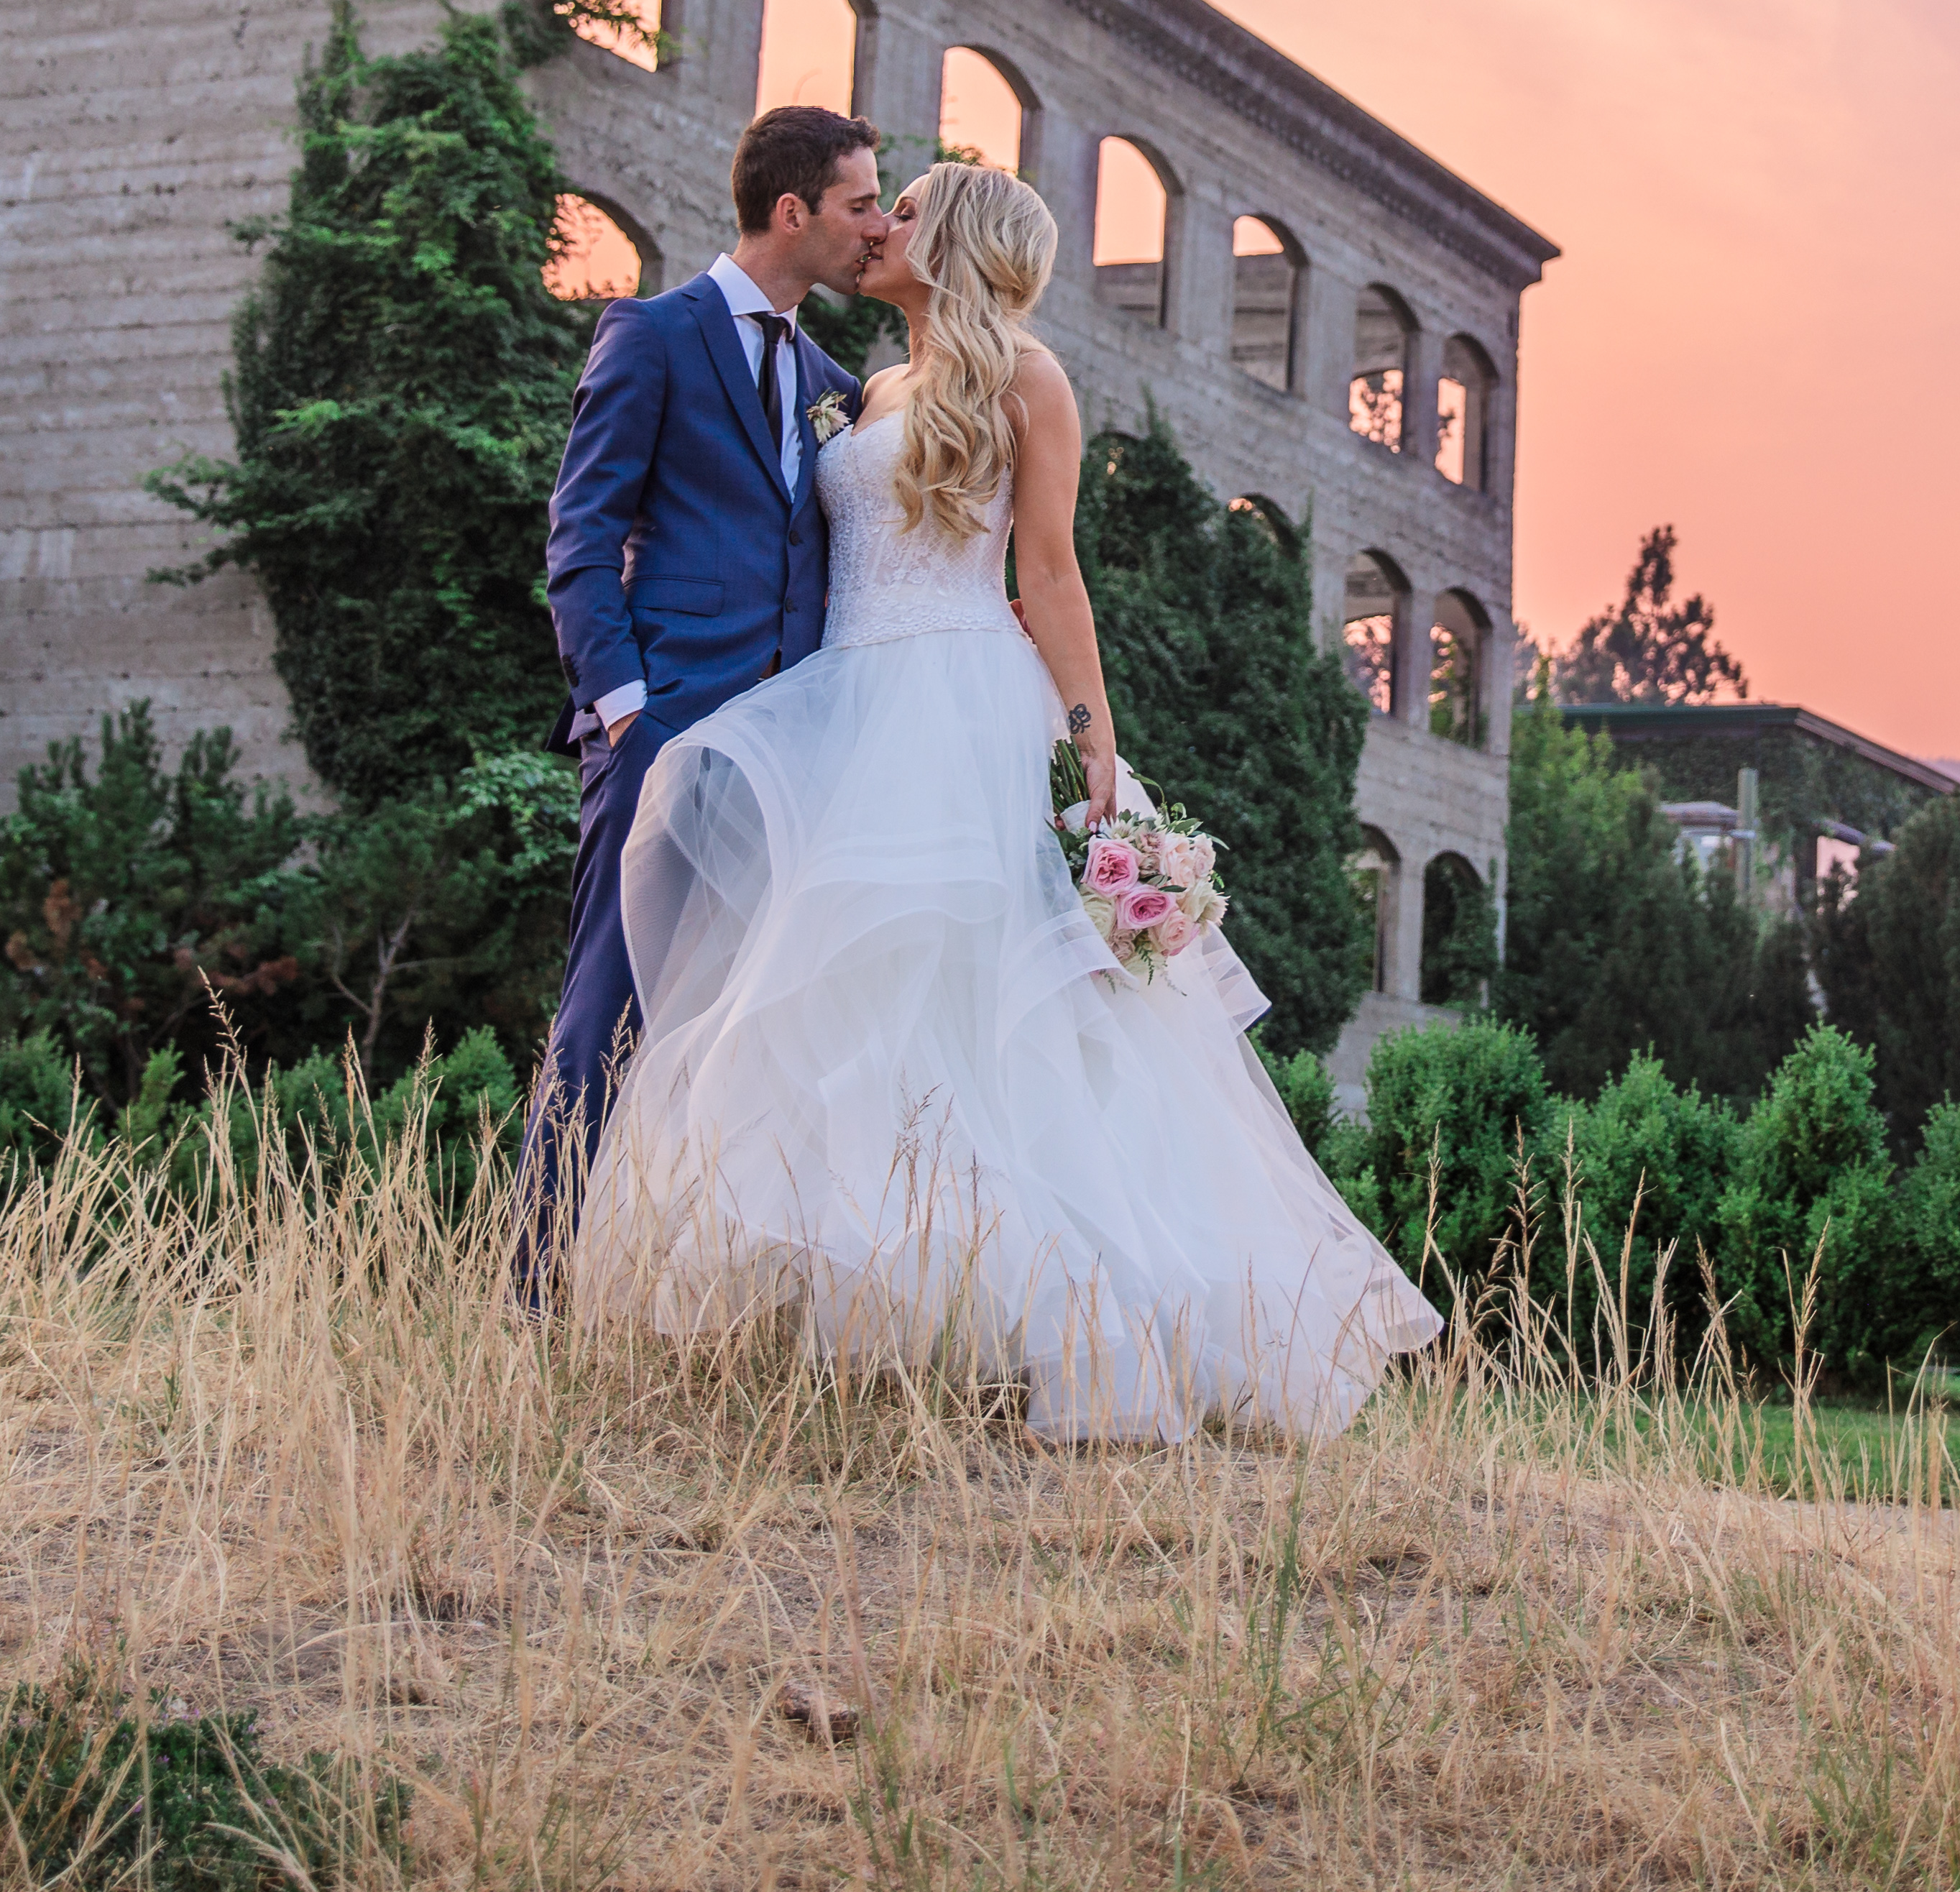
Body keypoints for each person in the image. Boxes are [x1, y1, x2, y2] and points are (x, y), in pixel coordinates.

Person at [571, 161, 1438, 1441]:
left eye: (906, 209)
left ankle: (1060, 1329)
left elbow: (1052, 575)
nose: (883, 226)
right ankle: (864, 1332)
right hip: (844, 700)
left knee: (980, 1010)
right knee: (842, 1006)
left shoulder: (1029, 382)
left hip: (962, 702)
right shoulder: (865, 389)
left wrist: (1093, 749)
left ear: (958, 238)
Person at [517, 104, 896, 1275]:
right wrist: (625, 706)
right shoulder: (653, 335)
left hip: (795, 750)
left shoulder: (837, 381)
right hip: (666, 726)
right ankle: (530, 1289)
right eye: (860, 204)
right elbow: (582, 534)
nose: (875, 227)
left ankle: (678, 1282)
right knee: (610, 1008)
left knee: (751, 1026)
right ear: (793, 212)